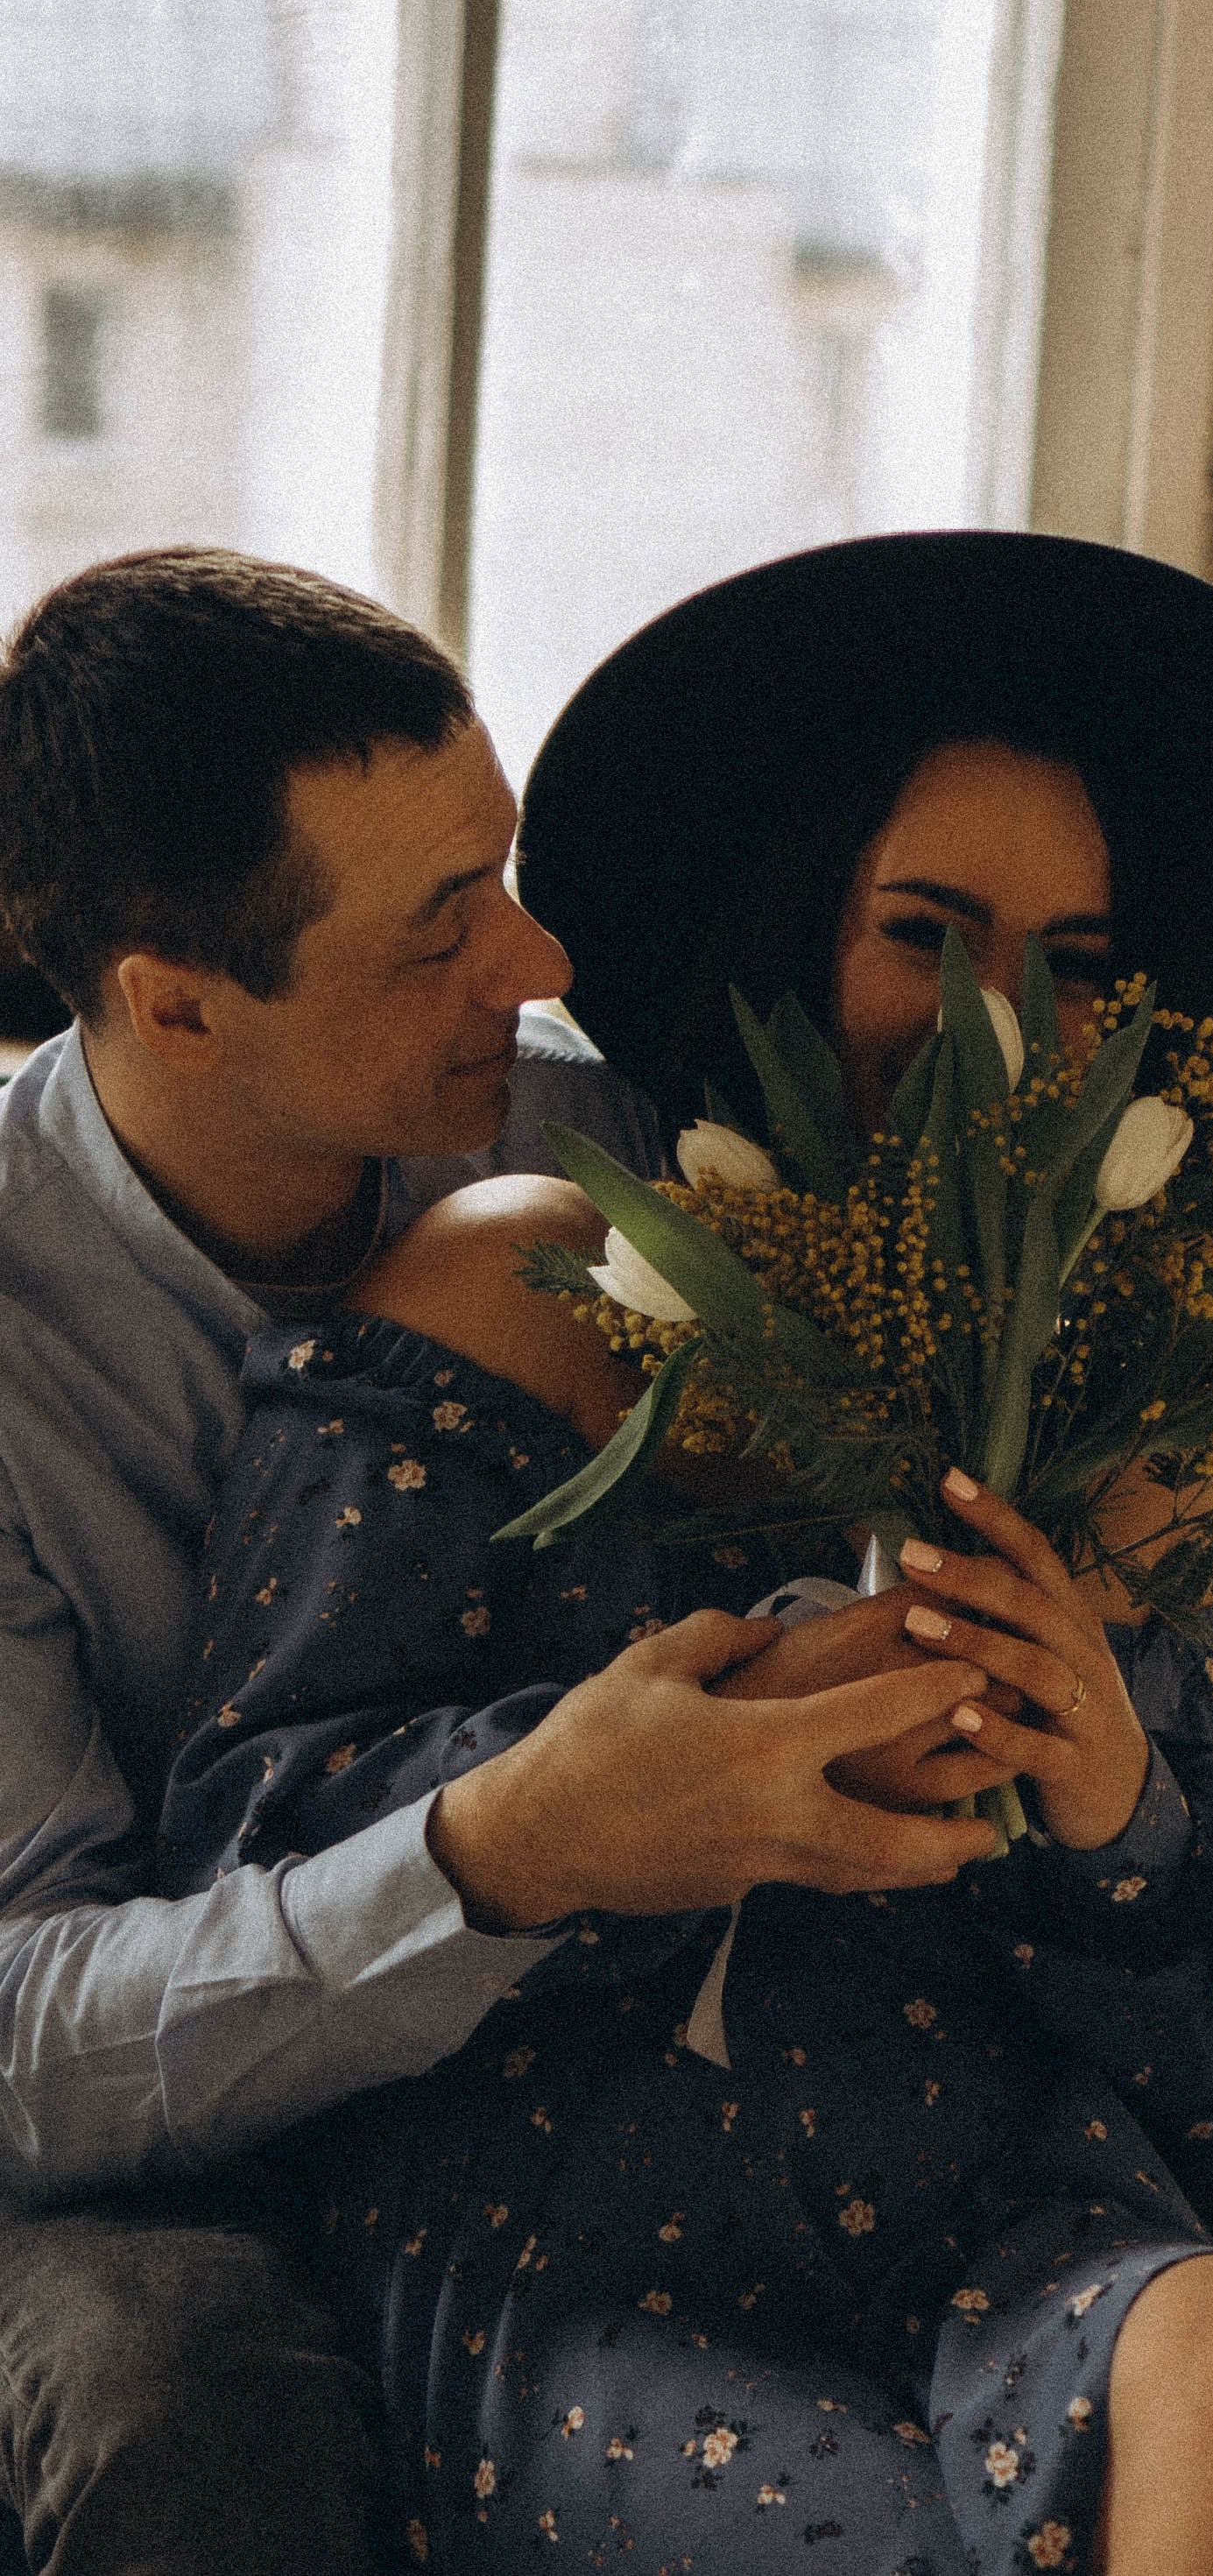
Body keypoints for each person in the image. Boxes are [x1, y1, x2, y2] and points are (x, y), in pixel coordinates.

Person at [163, 533, 1213, 2572]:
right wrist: (650, 1768)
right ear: (798, 929)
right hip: (576, 2230)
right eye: (925, 932)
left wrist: (1112, 1794)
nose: (996, 1023)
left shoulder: (1147, 1403)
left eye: (1065, 961)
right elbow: (245, 1834)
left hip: (1007, 2218)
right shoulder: (530, 1280)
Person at [0, 550, 1008, 2576]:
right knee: (182, 2386)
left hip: (568, 2068)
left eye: (510, 870)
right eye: (439, 930)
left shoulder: (585, 1139)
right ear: (174, 1003)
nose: (539, 959)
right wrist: (491, 1859)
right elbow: (18, 2033)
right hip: (135, 2149)